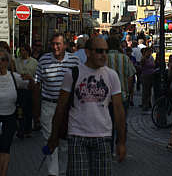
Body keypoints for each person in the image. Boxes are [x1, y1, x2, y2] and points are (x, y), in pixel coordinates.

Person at [48, 36, 126, 176]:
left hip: (103, 136)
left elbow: (119, 111)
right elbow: (60, 108)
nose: (104, 55)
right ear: (88, 52)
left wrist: (121, 141)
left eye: (106, 51)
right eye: (99, 51)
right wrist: (54, 136)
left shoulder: (111, 76)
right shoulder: (72, 74)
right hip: (78, 136)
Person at [0, 48, 32, 176]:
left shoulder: (14, 77)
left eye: (3, 59)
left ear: (7, 62)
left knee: (4, 148)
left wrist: (31, 80)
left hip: (9, 118)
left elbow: (30, 87)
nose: (0, 62)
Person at [33, 33, 79, 176]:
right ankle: (53, 173)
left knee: (64, 143)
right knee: (50, 140)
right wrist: (36, 111)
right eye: (53, 44)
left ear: (65, 45)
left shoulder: (74, 61)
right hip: (49, 105)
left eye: (58, 44)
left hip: (67, 108)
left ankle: (63, 171)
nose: (55, 47)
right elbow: (37, 83)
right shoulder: (44, 60)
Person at [15, 44, 38, 136]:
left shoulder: (34, 62)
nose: (22, 52)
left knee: (28, 109)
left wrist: (30, 78)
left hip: (30, 88)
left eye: (24, 50)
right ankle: (20, 128)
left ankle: (28, 129)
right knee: (20, 109)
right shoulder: (16, 61)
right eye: (21, 50)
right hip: (20, 88)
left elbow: (37, 75)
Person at [140, 47, 155, 111]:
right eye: (148, 52)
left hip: (152, 75)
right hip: (145, 76)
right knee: (145, 91)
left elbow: (154, 64)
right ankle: (144, 104)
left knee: (149, 91)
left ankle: (149, 103)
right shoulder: (143, 58)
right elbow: (142, 66)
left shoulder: (151, 57)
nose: (149, 53)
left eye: (150, 52)